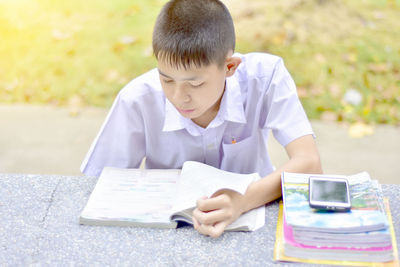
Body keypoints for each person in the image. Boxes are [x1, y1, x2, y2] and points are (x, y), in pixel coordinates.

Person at [81, 0, 322, 238]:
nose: (178, 97)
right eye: (167, 80)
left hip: (253, 220)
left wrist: (242, 201)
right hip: (168, 232)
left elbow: (310, 164)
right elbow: (98, 187)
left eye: (195, 83)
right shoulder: (137, 99)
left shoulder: (266, 78)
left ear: (230, 67)